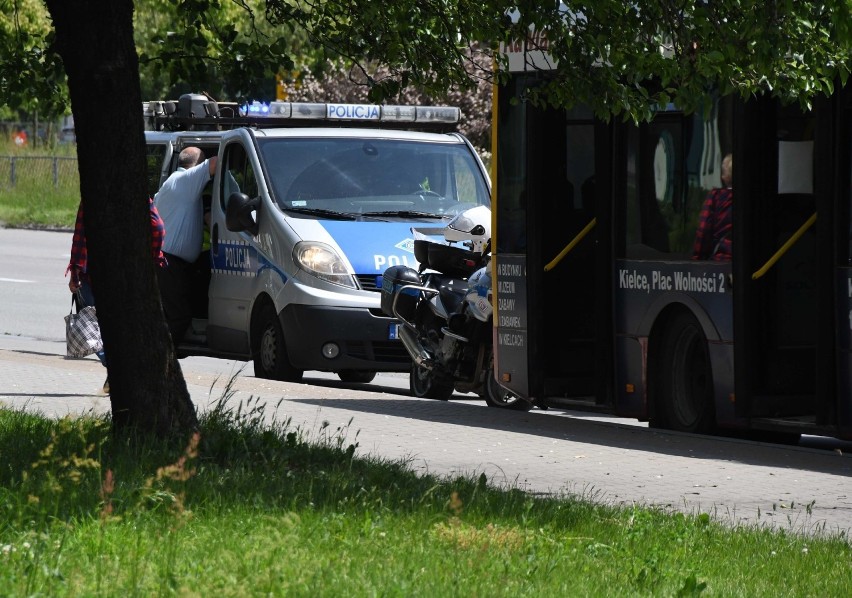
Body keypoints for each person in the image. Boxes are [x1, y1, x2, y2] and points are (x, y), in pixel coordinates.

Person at [67, 198, 167, 393]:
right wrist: (151, 257)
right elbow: (158, 228)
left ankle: (117, 370)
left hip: (93, 275)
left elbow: (81, 234)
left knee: (90, 327)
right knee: (120, 326)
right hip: (126, 274)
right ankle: (120, 371)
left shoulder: (93, 192)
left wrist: (76, 271)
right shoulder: (133, 192)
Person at [154, 146, 217, 344]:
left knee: (171, 314)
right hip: (170, 263)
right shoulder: (187, 180)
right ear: (196, 166)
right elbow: (216, 162)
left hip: (169, 262)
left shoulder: (172, 183)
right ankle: (161, 360)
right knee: (179, 317)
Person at [692, 153, 733, 261]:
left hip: (721, 261)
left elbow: (703, 230)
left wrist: (697, 258)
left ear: (724, 177)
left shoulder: (716, 197)